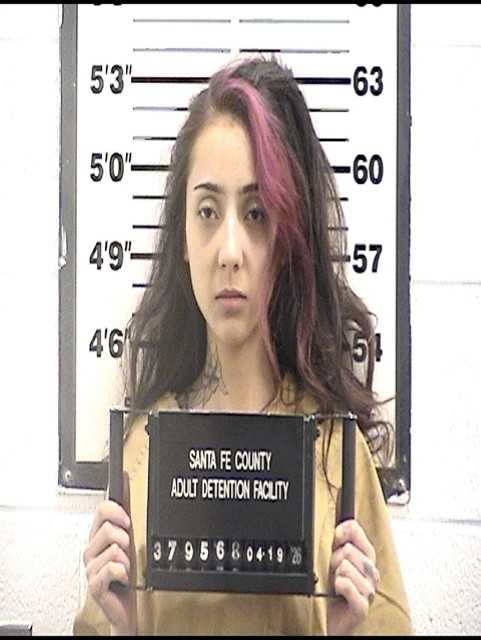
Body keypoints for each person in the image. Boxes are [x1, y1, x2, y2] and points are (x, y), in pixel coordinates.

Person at [73, 55, 412, 636]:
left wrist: (343, 629)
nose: (229, 250)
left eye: (256, 213)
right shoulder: (142, 451)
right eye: (207, 211)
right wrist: (123, 627)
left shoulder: (337, 454)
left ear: (289, 237)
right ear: (183, 238)